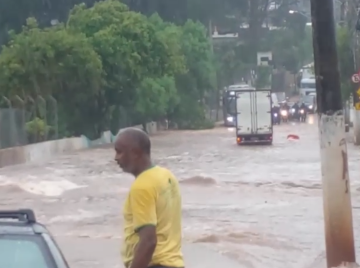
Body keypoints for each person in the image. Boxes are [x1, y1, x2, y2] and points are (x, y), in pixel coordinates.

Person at [114, 127, 184, 268]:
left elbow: (148, 241)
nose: (116, 158)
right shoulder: (167, 176)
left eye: (119, 151)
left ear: (135, 153)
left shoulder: (141, 187)